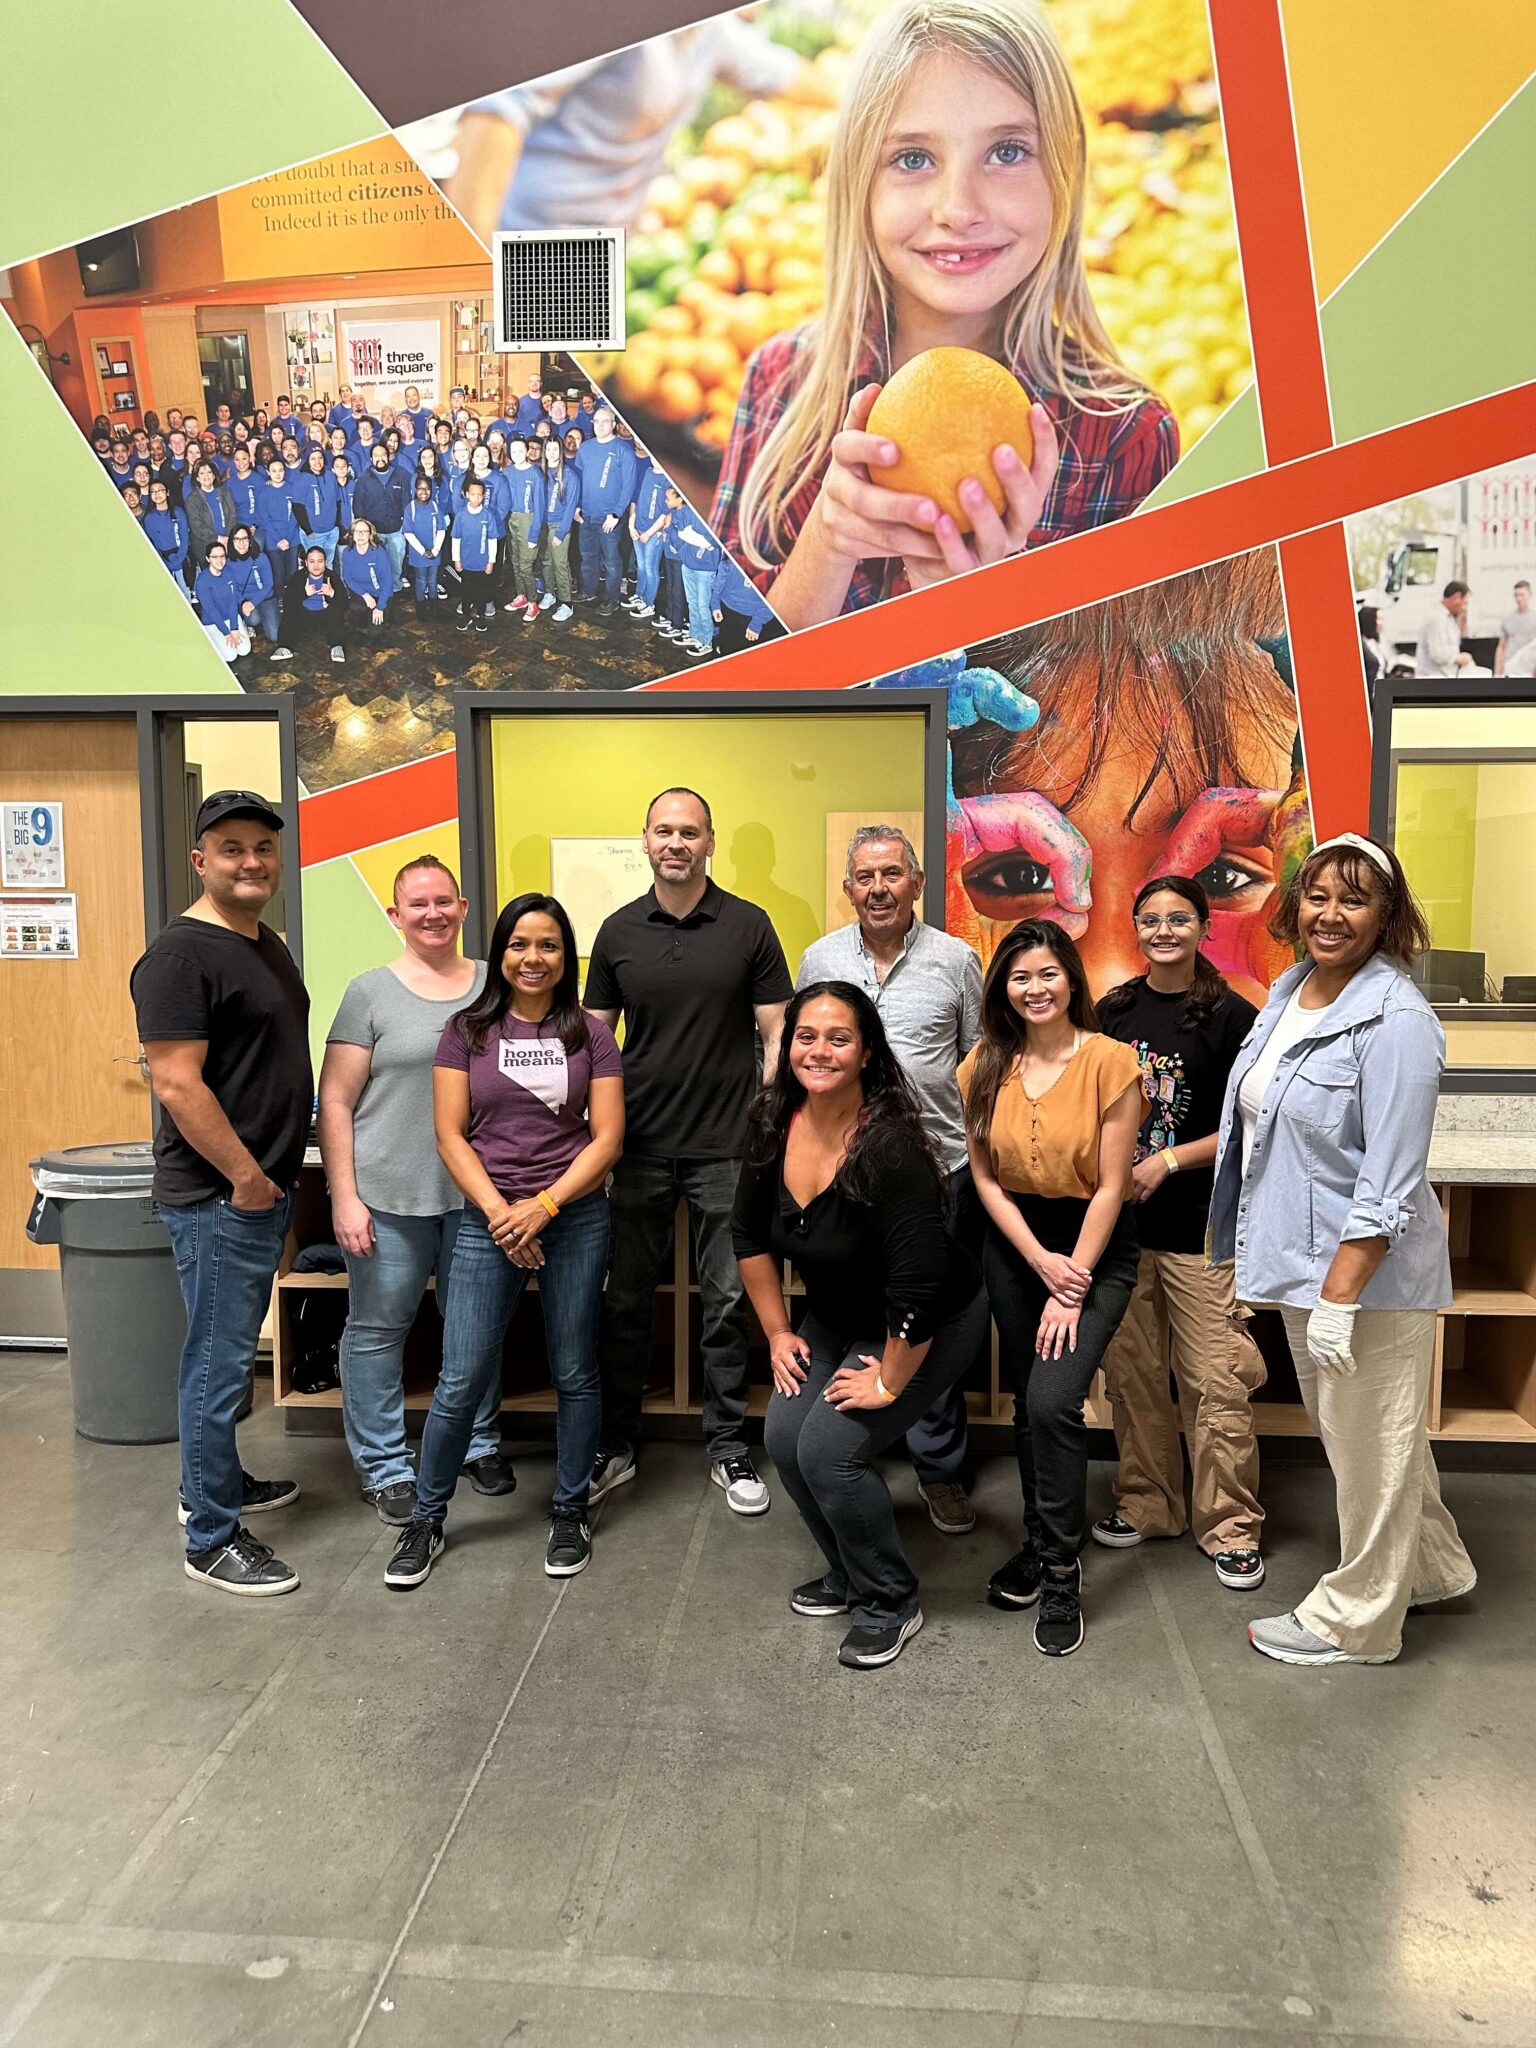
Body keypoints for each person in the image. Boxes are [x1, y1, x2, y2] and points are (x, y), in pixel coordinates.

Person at [711, 0, 1176, 628]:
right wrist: (829, 539)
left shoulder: (1127, 438)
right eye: (913, 159)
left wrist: (970, 611)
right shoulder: (780, 379)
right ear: (860, 182)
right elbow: (724, 677)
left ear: (1064, 172)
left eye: (1008, 151)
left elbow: (1116, 714)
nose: (958, 207)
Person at [1210, 834, 1476, 1667]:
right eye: (1318, 895)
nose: (1331, 914)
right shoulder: (1293, 991)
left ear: (1387, 917)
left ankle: (1358, 1620)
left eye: (1354, 899)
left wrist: (1340, 1295)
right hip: (1301, 1267)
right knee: (1377, 1440)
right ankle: (1431, 1570)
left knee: (1367, 1450)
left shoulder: (1398, 1021)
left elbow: (1388, 1183)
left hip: (1364, 1285)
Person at [737, 984, 987, 1669]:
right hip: (838, 1317)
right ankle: (849, 1570)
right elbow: (748, 1238)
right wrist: (779, 1332)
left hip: (929, 1320)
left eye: (838, 1038)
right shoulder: (772, 1122)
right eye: (805, 1036)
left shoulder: (889, 1147)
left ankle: (891, 1600)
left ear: (866, 1052)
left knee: (830, 1452)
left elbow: (919, 1285)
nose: (819, 1050)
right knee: (785, 1438)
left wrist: (890, 1380)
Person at [386, 893, 625, 1589]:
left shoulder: (591, 1034)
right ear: (501, 952)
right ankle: (427, 1518)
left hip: (573, 1217)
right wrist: (501, 1213)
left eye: (548, 945)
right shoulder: (465, 1031)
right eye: (520, 944)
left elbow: (607, 1138)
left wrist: (543, 1207)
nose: (533, 958)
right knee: (459, 1379)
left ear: (565, 956)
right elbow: (449, 1134)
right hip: (484, 1223)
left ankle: (571, 1508)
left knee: (575, 1371)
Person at [584, 787, 792, 1510]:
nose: (677, 842)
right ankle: (615, 1442)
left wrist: (764, 1123)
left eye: (690, 832)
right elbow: (592, 1042)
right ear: (645, 840)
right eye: (664, 831)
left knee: (727, 1302)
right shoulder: (616, 933)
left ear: (711, 842)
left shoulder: (749, 925)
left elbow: (777, 1034)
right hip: (635, 1146)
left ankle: (729, 1449)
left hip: (726, 1148)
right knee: (625, 1301)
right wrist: (594, 1136)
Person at [130, 791, 308, 1596]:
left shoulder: (263, 942)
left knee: (224, 1356)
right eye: (232, 848)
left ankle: (217, 1484)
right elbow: (175, 1081)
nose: (251, 861)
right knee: (217, 1362)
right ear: (201, 860)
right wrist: (244, 1178)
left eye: (263, 848)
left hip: (254, 1190)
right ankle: (210, 1537)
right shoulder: (178, 956)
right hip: (218, 1195)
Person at [959, 918, 1141, 1655]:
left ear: (1071, 979)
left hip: (1094, 1247)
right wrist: (1036, 1259)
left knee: (1052, 1397)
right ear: (1004, 987)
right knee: (1029, 1409)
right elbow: (983, 1176)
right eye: (1019, 976)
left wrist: (1071, 1283)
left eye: (1047, 973)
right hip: (1016, 1245)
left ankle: (1062, 1574)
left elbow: (1112, 1185)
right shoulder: (982, 1064)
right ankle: (1041, 1541)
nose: (1035, 988)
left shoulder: (1111, 1061)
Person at [797, 826, 983, 1535]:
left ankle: (939, 1471)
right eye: (865, 877)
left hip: (939, 1175)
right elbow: (802, 1055)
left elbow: (975, 1062)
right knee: (851, 1313)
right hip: (846, 1177)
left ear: (916, 882)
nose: (878, 888)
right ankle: (851, 1450)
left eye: (892, 875)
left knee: (925, 1313)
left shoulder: (956, 959)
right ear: (849, 888)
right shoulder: (820, 959)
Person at [319, 855, 506, 1525]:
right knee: (377, 1330)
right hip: (388, 1198)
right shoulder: (369, 992)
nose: (432, 913)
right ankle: (385, 1465)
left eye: (443, 901)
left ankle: (475, 1442)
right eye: (416, 904)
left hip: (477, 1197)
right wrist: (345, 1196)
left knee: (473, 1328)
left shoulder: (495, 986)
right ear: (395, 916)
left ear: (461, 908)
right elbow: (335, 1101)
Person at [1093, 875, 1266, 1586]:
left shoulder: (1234, 1017)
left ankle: (1229, 1525)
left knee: (1214, 1382)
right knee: (1132, 1379)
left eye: (1179, 919)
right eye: (1151, 920)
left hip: (1200, 1230)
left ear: (1203, 927)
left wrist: (1167, 1159)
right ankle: (1147, 1504)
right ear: (1137, 929)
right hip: (1124, 1234)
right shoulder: (1114, 1010)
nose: (1164, 931)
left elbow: (1253, 1125)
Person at [443, 20, 832, 240]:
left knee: (559, 375)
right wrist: (472, 271)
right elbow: (497, 108)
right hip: (535, 235)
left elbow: (779, 74)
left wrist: (871, 100)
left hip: (600, 244)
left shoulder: (709, 30)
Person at [574, 408, 638, 612]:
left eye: (605, 421)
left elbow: (629, 485)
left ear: (613, 424)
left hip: (609, 517)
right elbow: (580, 480)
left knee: (611, 561)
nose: (600, 425)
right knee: (588, 556)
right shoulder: (585, 448)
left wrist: (617, 514)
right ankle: (588, 590)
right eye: (596, 421)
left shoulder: (623, 450)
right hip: (586, 515)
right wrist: (577, 507)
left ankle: (612, 599)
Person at [498, 436, 545, 620]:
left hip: (528, 519)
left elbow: (539, 506)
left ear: (527, 451)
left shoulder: (535, 474)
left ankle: (533, 602)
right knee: (516, 562)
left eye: (520, 450)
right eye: (513, 451)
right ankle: (521, 595)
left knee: (526, 566)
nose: (517, 454)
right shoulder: (507, 472)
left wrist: (534, 534)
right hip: (512, 520)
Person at [227, 523, 288, 661]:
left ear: (250, 540)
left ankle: (264, 616)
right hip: (244, 600)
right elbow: (232, 588)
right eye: (237, 539)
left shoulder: (260, 558)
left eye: (244, 538)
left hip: (264, 597)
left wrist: (253, 603)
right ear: (232, 542)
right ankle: (249, 622)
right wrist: (243, 602)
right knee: (254, 619)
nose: (241, 543)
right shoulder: (228, 563)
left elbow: (268, 584)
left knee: (274, 635)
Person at [625, 446, 670, 624]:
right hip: (639, 527)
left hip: (654, 532)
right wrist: (631, 523)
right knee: (641, 566)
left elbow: (665, 513)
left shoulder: (668, 480)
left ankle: (649, 603)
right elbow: (638, 499)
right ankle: (640, 595)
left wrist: (651, 532)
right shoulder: (648, 472)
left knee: (651, 568)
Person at [355, 442, 408, 594]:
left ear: (388, 456)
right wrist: (365, 531)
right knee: (376, 564)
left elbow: (406, 500)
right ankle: (378, 590)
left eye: (383, 455)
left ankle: (396, 588)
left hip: (396, 530)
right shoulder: (364, 479)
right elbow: (358, 506)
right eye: (376, 455)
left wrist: (405, 525)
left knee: (396, 563)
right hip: (374, 532)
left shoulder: (400, 475)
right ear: (371, 458)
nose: (380, 458)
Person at [281, 544, 347, 665]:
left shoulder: (331, 576)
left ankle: (337, 645)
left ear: (325, 562)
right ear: (306, 563)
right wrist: (304, 593)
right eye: (312, 561)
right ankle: (284, 646)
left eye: (320, 561)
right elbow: (287, 602)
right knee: (290, 610)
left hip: (325, 616)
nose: (316, 566)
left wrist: (332, 594)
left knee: (336, 609)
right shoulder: (298, 576)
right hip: (304, 616)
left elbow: (345, 604)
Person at [537, 438, 578, 622]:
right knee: (545, 561)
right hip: (542, 525)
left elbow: (570, 507)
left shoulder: (569, 475)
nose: (552, 453)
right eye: (549, 449)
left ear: (560, 451)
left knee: (560, 563)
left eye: (555, 449)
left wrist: (561, 532)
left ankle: (566, 603)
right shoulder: (540, 473)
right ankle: (549, 592)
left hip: (559, 525)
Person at [1414, 581, 1489, 678]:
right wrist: (1459, 658)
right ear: (1457, 597)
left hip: (1443, 679)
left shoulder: (1448, 618)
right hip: (1433, 680)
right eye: (1465, 603)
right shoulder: (1437, 618)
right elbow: (1438, 654)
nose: (1464, 609)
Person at [452, 476, 498, 632]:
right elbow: (456, 539)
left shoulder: (488, 516)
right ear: (466, 494)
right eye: (473, 494)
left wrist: (491, 561)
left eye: (479, 494)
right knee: (466, 590)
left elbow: (492, 540)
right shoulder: (461, 515)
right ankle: (466, 615)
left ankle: (481, 616)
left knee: (481, 591)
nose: (476, 497)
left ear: (483, 496)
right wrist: (456, 559)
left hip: (482, 562)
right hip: (466, 562)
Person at [194, 541, 251, 662]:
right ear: (207, 559)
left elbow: (232, 601)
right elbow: (211, 610)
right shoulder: (202, 582)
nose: (219, 560)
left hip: (230, 617)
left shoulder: (229, 573)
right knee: (230, 656)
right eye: (214, 557)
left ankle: (241, 627)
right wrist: (226, 633)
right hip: (213, 621)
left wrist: (234, 628)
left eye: (222, 556)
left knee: (244, 650)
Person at [339, 516, 394, 634]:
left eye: (364, 532)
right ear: (352, 534)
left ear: (370, 535)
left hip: (381, 594)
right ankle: (363, 616)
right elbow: (348, 578)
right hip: (363, 593)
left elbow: (387, 582)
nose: (360, 535)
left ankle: (385, 612)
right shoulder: (347, 552)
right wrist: (365, 595)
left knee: (375, 633)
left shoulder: (379, 552)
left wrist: (380, 607)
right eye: (357, 532)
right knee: (356, 607)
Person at [403, 475, 449, 612]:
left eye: (427, 488)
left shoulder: (435, 507)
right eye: (420, 488)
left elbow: (441, 530)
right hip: (419, 554)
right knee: (421, 580)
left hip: (434, 552)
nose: (424, 492)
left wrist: (435, 550)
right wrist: (423, 551)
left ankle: (434, 606)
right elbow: (408, 533)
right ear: (415, 489)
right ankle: (421, 608)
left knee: (433, 580)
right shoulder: (410, 508)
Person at [294, 444, 342, 568]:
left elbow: (337, 501)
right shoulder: (302, 479)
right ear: (308, 460)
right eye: (313, 458)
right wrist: (309, 531)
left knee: (328, 565)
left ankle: (328, 587)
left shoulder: (330, 476)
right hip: (314, 534)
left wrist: (336, 525)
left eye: (320, 457)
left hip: (331, 532)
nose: (317, 462)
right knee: (315, 568)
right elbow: (298, 507)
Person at [185, 457, 237, 568]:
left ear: (214, 475)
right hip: (205, 544)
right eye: (202, 473)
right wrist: (218, 538)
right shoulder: (193, 499)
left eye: (209, 472)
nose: (206, 476)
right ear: (197, 478)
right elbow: (196, 526)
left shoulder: (223, 491)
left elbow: (232, 514)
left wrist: (227, 537)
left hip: (227, 540)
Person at [143, 478, 189, 583]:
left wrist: (179, 559)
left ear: (167, 493)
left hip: (181, 557)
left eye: (160, 490)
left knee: (185, 592)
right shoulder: (149, 518)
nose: (157, 494)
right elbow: (154, 544)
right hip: (163, 560)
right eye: (153, 491)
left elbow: (184, 537)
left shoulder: (178, 511)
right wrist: (163, 562)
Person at [1494, 579, 1535, 677]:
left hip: (1529, 670)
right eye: (1516, 595)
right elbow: (1501, 646)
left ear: (1529, 595)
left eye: (1522, 595)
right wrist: (1497, 671)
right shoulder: (1508, 619)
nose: (1518, 598)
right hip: (1510, 668)